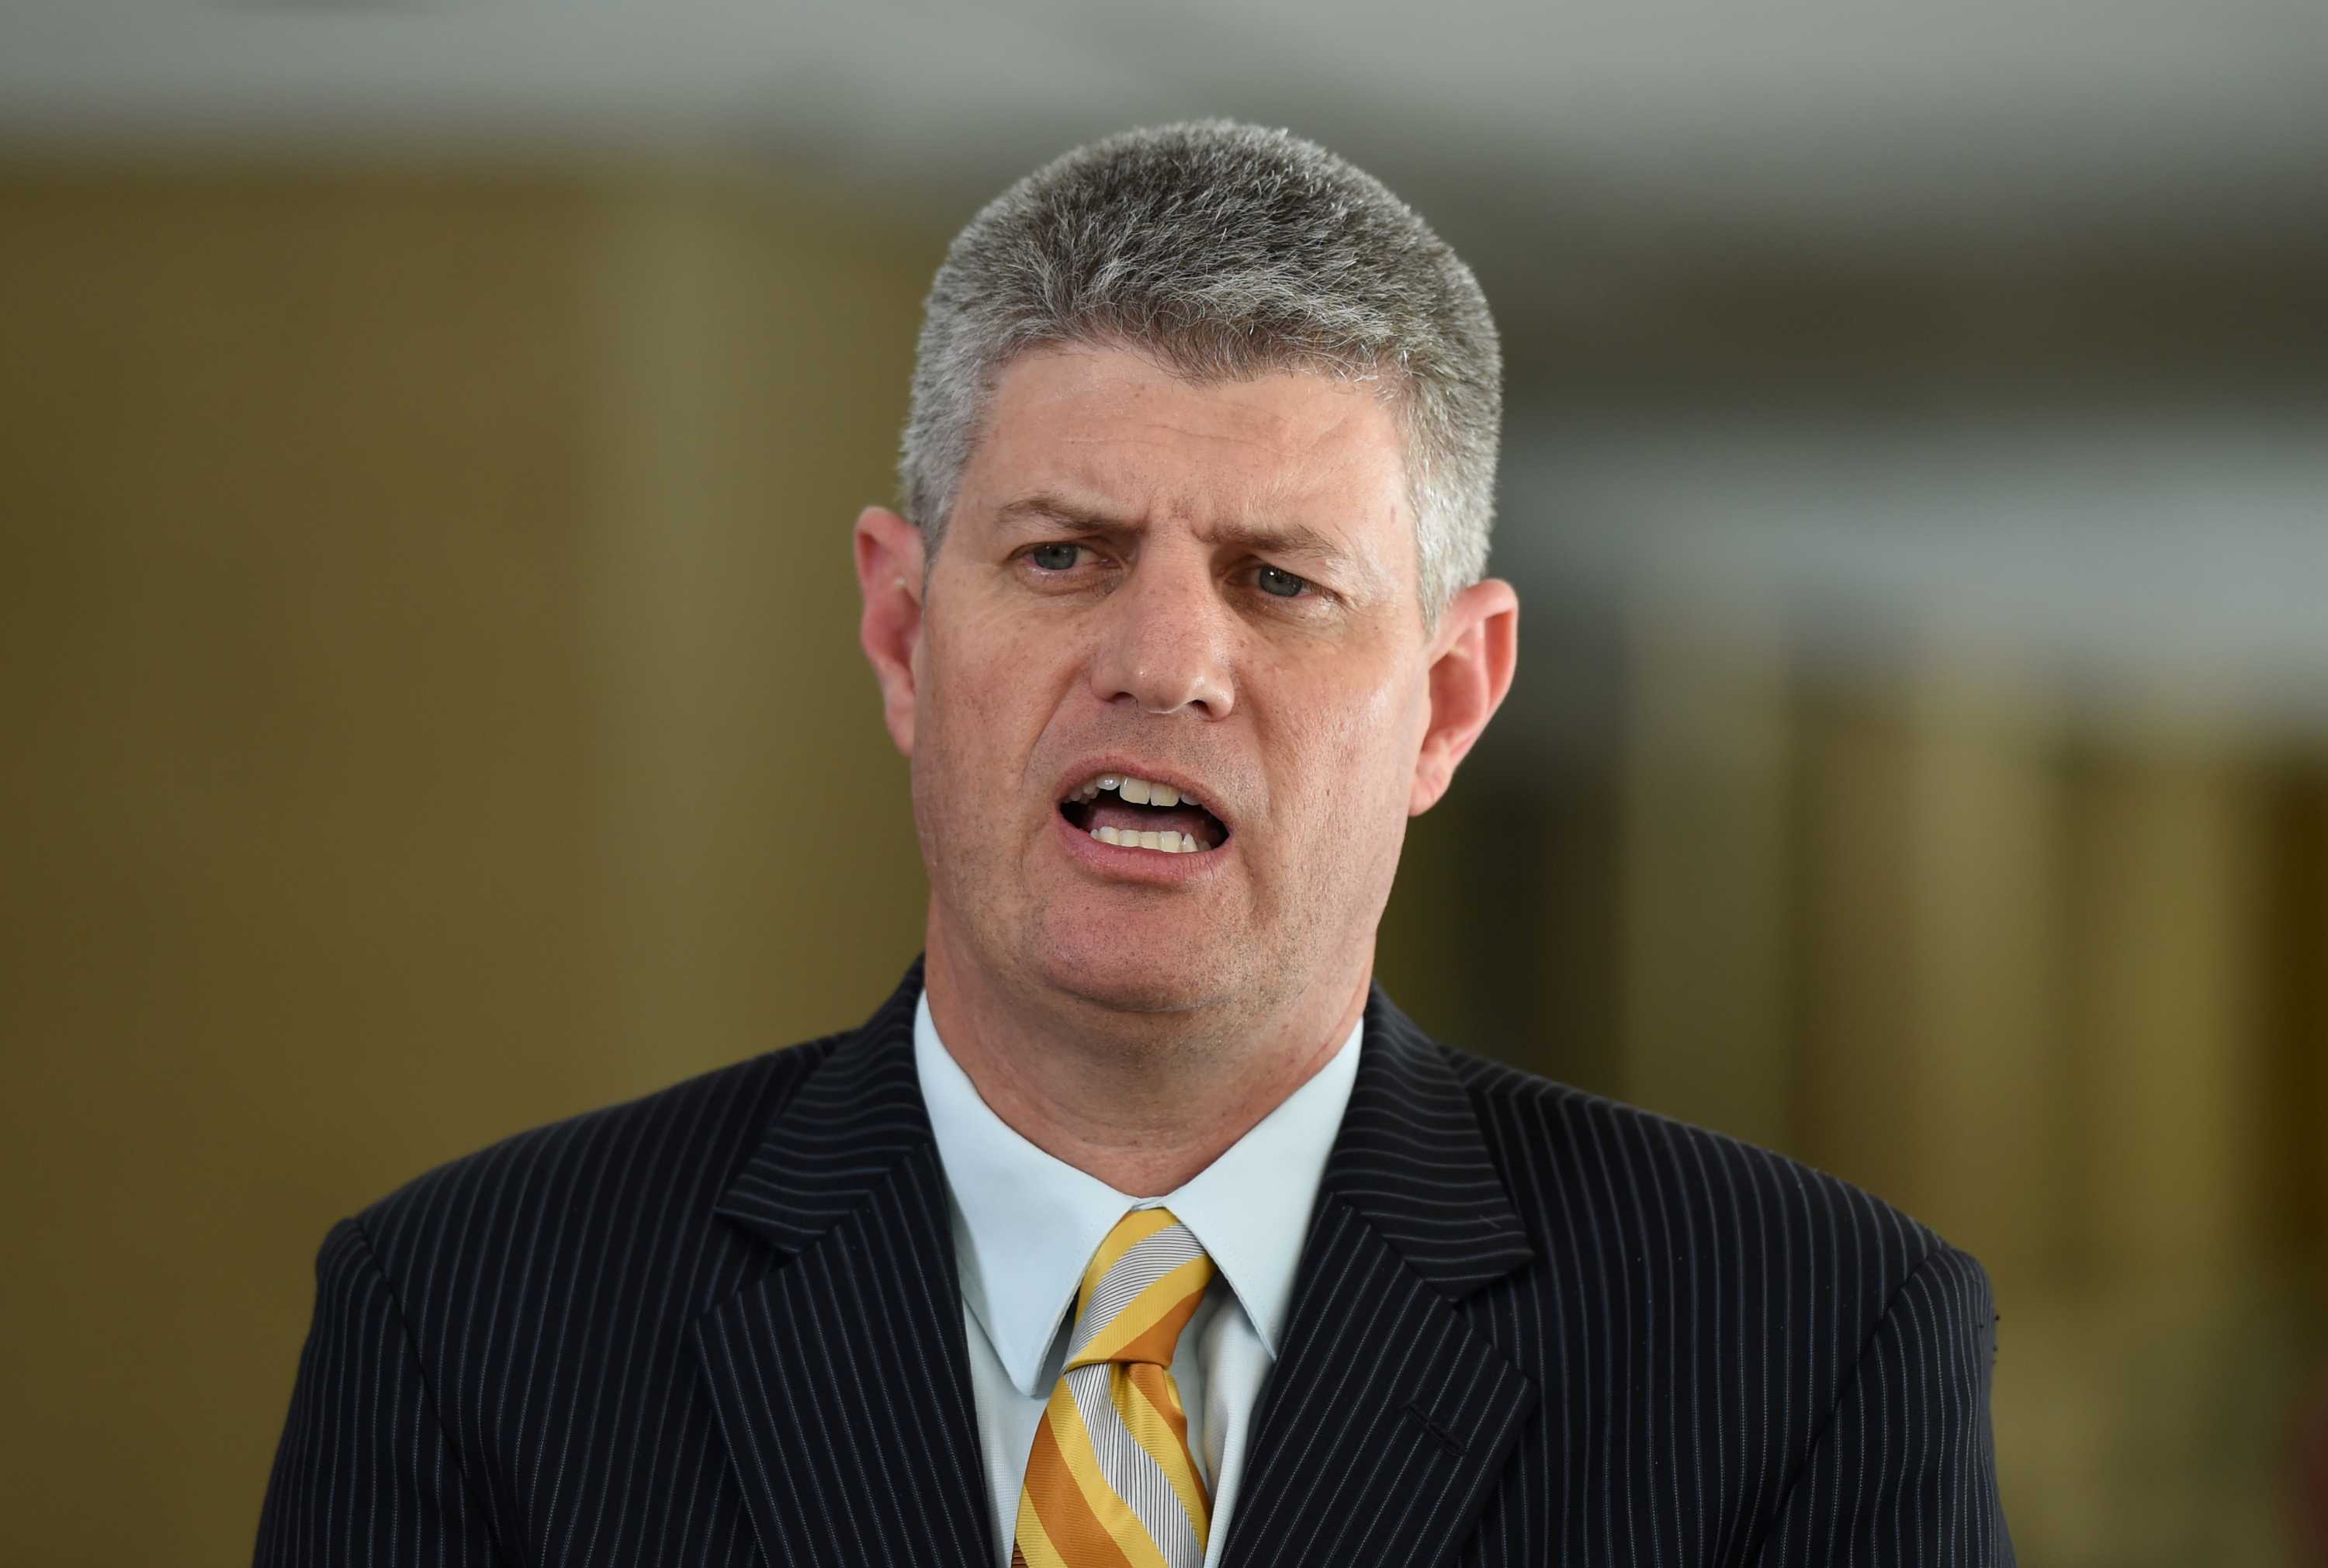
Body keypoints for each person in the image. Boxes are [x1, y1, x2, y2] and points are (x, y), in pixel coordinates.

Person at [255, 120, 2012, 1568]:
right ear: (900, 633)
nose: (1164, 662)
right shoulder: (471, 1319)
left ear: (1450, 698)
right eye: (1064, 554)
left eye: (1281, 581)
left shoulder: (1808, 1345)